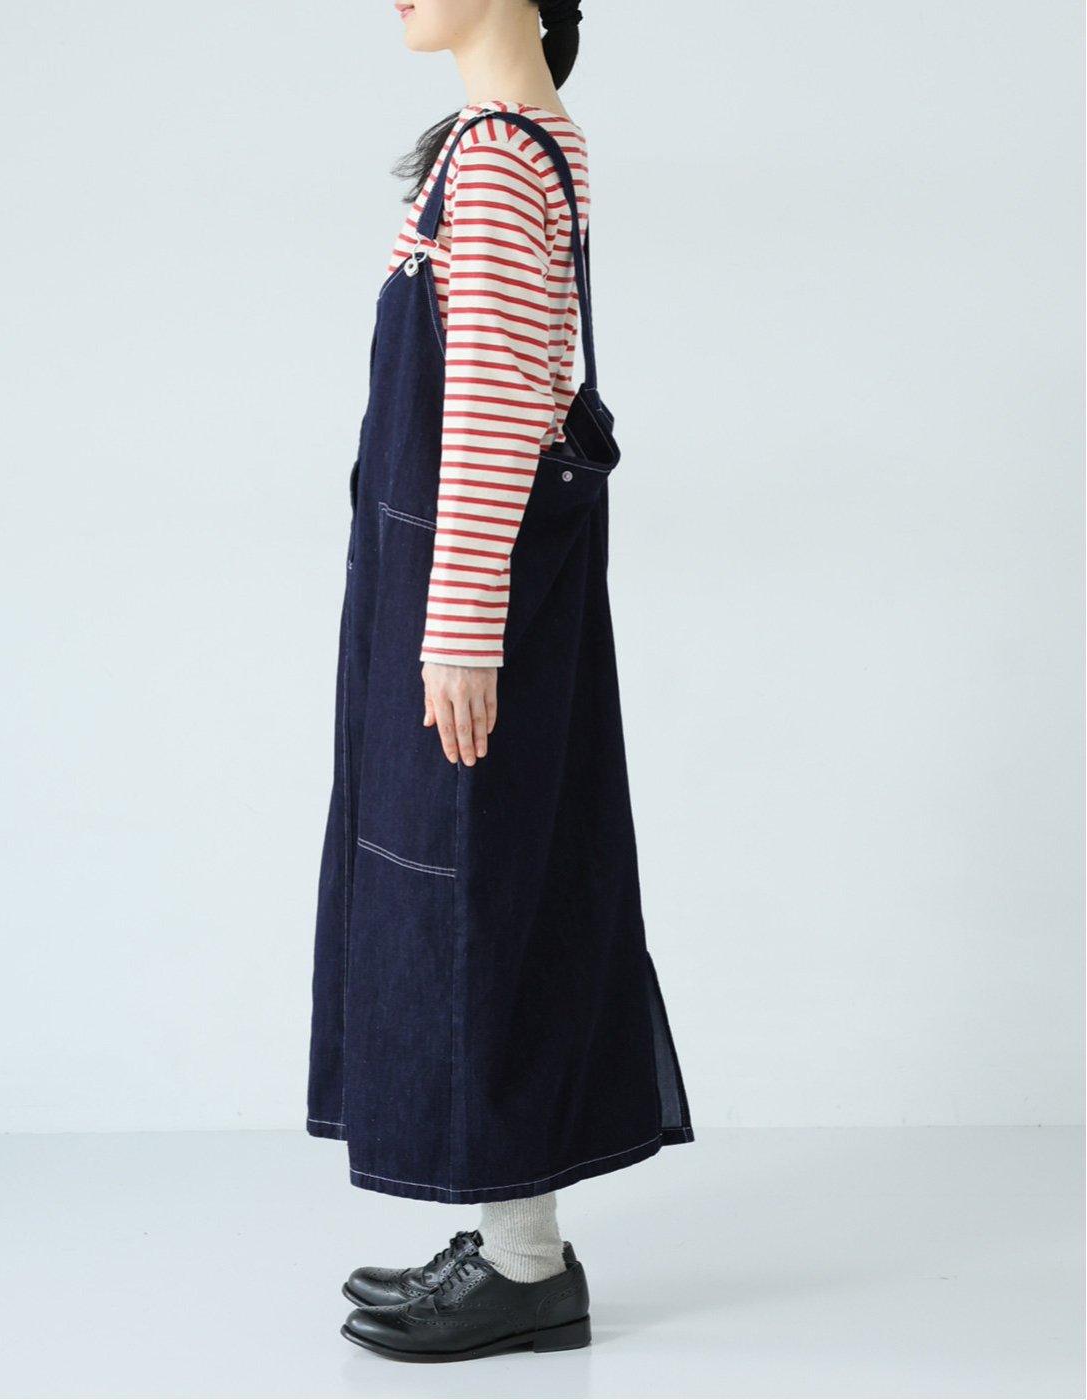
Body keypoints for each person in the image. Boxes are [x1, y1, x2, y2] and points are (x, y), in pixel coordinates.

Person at [307, 0, 693, 1363]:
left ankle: (526, 1267)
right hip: (462, 581)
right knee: (486, 890)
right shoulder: (522, 141)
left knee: (467, 899)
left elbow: (491, 402)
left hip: (468, 592)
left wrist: (460, 625)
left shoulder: (495, 155)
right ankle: (515, 1239)